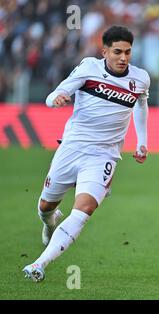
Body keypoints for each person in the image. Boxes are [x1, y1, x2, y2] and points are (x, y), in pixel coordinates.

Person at [23, 26, 151, 282]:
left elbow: (141, 104)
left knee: (83, 210)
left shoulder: (140, 78)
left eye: (127, 52)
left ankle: (39, 264)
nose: (123, 57)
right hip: (72, 148)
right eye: (117, 52)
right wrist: (57, 98)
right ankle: (49, 222)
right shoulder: (88, 68)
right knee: (46, 206)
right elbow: (54, 95)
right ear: (104, 51)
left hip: (104, 155)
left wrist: (142, 142)